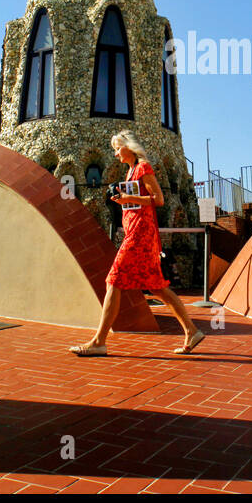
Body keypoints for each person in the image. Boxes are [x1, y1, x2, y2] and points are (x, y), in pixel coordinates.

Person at [70, 131, 205, 357]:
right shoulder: (131, 171)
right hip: (136, 232)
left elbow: (159, 199)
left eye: (117, 148)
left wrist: (129, 199)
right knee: (157, 287)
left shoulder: (143, 168)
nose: (115, 153)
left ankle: (99, 341)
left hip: (140, 236)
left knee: (114, 280)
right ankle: (192, 331)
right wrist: (122, 199)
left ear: (128, 147)